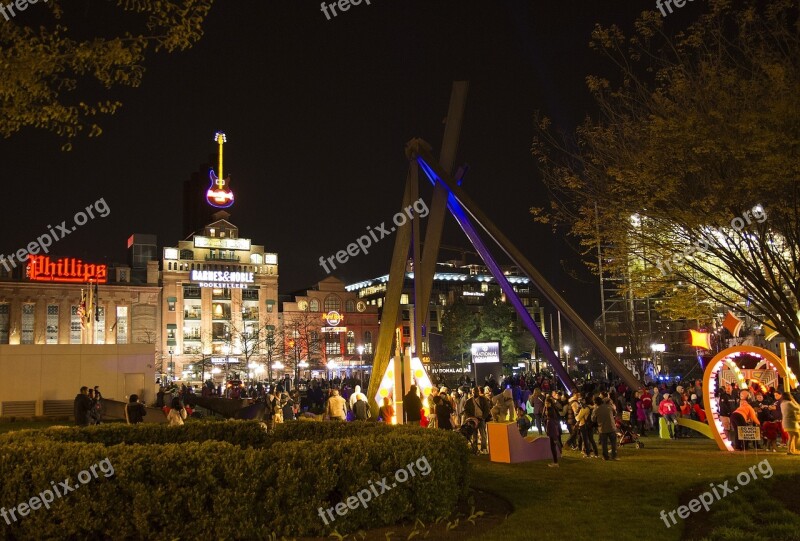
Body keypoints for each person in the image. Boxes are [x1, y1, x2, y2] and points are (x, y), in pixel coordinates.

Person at [464, 387, 491, 455]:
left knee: (483, 434)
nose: (474, 393)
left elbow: (487, 409)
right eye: (473, 392)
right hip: (473, 420)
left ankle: (484, 448)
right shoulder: (469, 401)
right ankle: (475, 449)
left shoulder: (483, 399)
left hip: (481, 419)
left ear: (478, 392)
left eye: (476, 392)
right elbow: (466, 410)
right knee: (474, 435)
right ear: (472, 392)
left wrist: (483, 417)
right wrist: (470, 417)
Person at [593, 396, 618, 460]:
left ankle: (605, 456)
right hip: (612, 427)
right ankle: (614, 456)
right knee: (613, 443)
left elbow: (593, 419)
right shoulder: (609, 407)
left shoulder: (596, 410)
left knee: (604, 444)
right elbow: (615, 413)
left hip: (602, 429)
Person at [543, 397, 562, 467]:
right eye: (545, 403)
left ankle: (555, 462)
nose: (546, 404)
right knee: (553, 446)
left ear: (550, 403)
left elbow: (552, 424)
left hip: (553, 432)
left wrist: (553, 435)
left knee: (553, 447)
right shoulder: (551, 410)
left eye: (547, 403)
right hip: (553, 432)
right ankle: (555, 461)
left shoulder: (551, 411)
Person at [780, 391, 800, 455]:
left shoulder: (782, 403)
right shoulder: (789, 403)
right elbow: (798, 408)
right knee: (796, 435)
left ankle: (790, 450)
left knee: (791, 436)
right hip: (791, 422)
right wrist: (794, 401)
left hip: (786, 421)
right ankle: (794, 449)